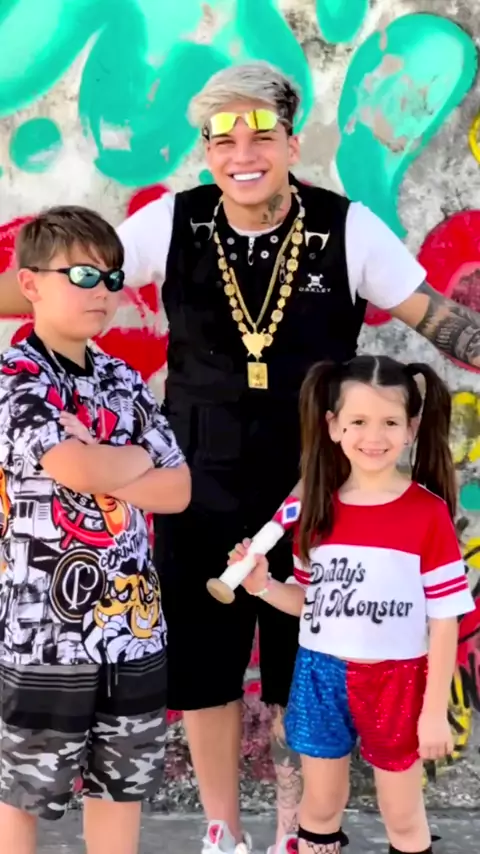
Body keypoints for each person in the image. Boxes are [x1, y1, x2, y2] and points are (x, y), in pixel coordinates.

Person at [0, 62, 480, 854]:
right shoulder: (170, 221)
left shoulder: (348, 227)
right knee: (204, 668)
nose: (242, 152)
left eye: (261, 133)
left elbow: (433, 317)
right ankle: (222, 829)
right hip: (196, 477)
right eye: (221, 138)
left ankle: (294, 827)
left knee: (305, 662)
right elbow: (63, 282)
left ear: (291, 141)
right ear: (205, 150)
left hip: (318, 482)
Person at [0, 206, 190, 854]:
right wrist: (130, 460)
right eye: (82, 275)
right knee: (22, 795)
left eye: (112, 277)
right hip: (44, 638)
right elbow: (74, 468)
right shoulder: (17, 378)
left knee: (121, 790)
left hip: (133, 629)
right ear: (31, 283)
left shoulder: (122, 378)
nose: (103, 291)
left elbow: (178, 489)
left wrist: (107, 461)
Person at [229, 354, 475, 854]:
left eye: (390, 422)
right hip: (321, 675)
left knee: (401, 814)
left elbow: (445, 619)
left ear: (411, 429)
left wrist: (434, 712)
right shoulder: (316, 509)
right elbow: (313, 604)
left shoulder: (426, 514)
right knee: (320, 807)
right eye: (358, 421)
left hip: (398, 679)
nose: (374, 436)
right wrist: (263, 586)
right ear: (333, 426)